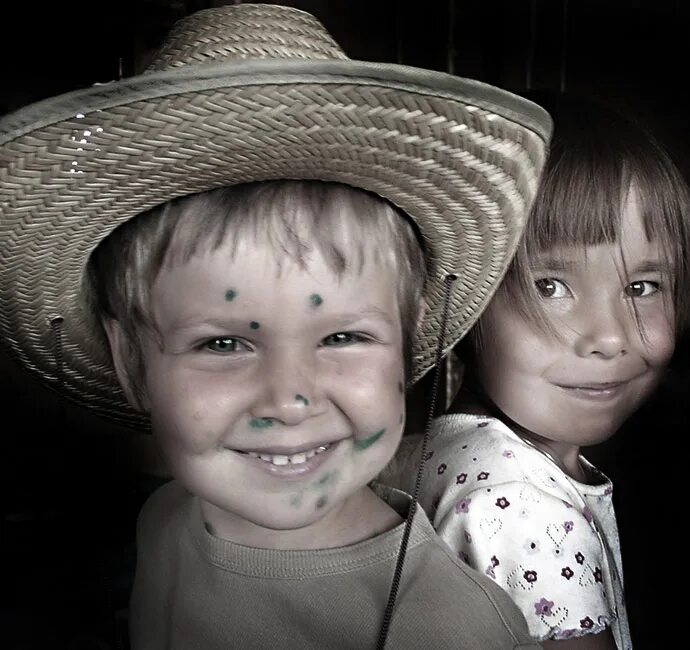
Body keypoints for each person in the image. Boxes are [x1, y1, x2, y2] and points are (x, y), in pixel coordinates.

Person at [0, 4, 552, 649]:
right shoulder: (165, 523)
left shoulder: (457, 632)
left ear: (409, 343)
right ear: (129, 360)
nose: (289, 399)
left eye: (342, 336)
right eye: (224, 343)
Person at [383, 92, 690, 649]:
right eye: (550, 286)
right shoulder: (527, 510)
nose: (610, 337)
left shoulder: (434, 447)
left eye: (641, 287)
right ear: (474, 303)